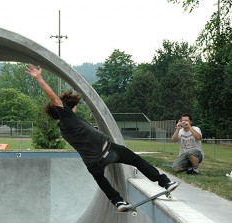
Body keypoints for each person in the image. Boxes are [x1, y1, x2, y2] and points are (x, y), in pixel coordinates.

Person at [26, 64, 179, 211]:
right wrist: (39, 78)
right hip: (108, 151)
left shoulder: (63, 128)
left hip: (92, 163)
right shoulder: (67, 116)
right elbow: (54, 98)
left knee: (101, 179)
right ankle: (164, 182)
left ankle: (118, 201)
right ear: (68, 108)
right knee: (135, 159)